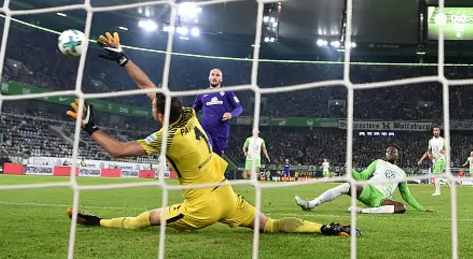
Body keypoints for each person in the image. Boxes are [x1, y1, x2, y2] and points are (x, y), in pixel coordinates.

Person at [65, 96, 358, 237]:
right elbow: (153, 91)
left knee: (146, 219)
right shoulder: (191, 115)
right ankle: (327, 228)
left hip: (202, 208)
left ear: (158, 114)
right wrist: (123, 58)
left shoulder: (166, 137)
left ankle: (97, 221)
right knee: (271, 225)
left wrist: (90, 126)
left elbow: (118, 150)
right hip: (228, 196)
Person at [295, 145, 431, 215]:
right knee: (347, 186)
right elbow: (362, 177)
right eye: (389, 151)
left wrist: (422, 209)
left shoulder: (401, 173)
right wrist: (351, 169)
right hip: (368, 190)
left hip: (381, 199)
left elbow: (406, 195)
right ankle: (311, 204)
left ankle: (361, 211)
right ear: (386, 154)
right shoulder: (378, 162)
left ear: (397, 156)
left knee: (402, 208)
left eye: (394, 152)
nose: (391, 153)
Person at [192, 68, 243, 156]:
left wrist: (231, 114)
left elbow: (239, 108)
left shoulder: (227, 92)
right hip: (206, 130)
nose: (214, 77)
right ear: (209, 77)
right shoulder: (202, 93)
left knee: (216, 157)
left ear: (221, 79)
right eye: (212, 74)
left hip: (221, 132)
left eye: (217, 75)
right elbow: (193, 110)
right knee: (207, 151)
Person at [428, 126, 447, 196]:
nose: (435, 131)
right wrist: (430, 156)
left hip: (441, 159)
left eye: (436, 130)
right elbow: (429, 150)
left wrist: (444, 153)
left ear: (439, 131)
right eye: (434, 130)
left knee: (436, 175)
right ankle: (446, 181)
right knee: (436, 175)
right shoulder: (431, 141)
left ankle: (438, 191)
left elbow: (447, 149)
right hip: (435, 160)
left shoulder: (443, 140)